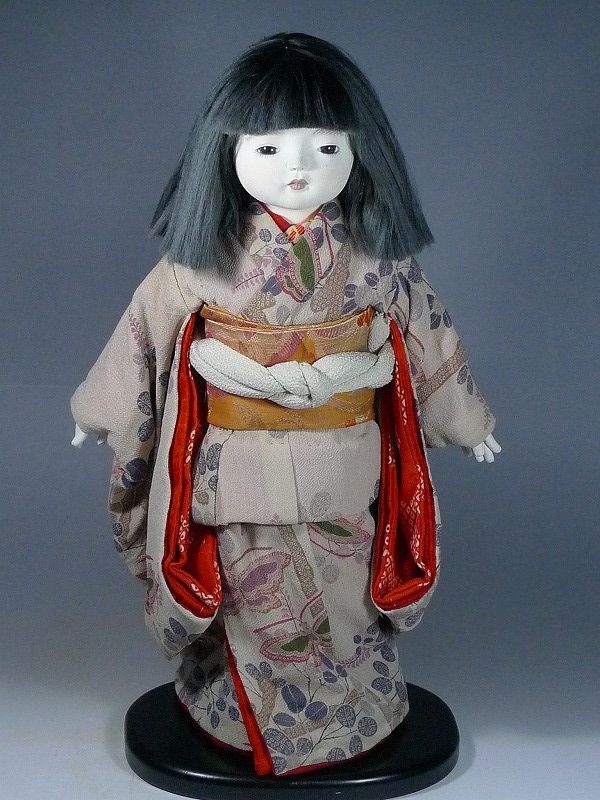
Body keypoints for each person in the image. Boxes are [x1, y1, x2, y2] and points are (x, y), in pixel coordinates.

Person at [71, 32, 500, 777]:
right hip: (236, 473)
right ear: (225, 151)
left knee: (345, 591)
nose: (298, 169)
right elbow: (142, 334)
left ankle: (356, 714)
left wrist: (466, 422)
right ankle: (236, 720)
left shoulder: (377, 261)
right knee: (245, 596)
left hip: (343, 468)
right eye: (268, 149)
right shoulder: (199, 262)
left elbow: (428, 335)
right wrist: (98, 410)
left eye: (325, 147)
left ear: (361, 150)